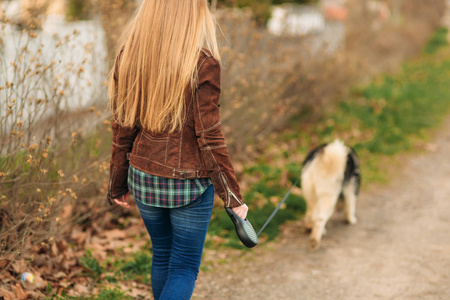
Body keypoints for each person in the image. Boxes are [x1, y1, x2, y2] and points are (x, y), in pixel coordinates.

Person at [106, 0, 248, 299]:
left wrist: (117, 183)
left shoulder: (129, 56)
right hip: (189, 185)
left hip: (143, 177)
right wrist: (233, 198)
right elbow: (209, 136)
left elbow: (122, 128)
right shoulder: (202, 62)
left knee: (162, 255)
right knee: (183, 266)